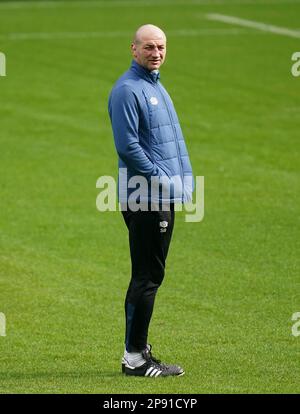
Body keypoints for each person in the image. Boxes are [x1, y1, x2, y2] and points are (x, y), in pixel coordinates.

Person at [108, 24, 193, 377]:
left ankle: (139, 350)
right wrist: (162, 180)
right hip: (146, 197)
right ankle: (134, 359)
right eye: (148, 47)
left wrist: (183, 182)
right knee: (147, 275)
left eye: (160, 47)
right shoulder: (128, 90)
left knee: (150, 274)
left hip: (160, 194)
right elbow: (128, 148)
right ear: (133, 49)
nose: (156, 53)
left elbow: (172, 142)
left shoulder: (155, 86)